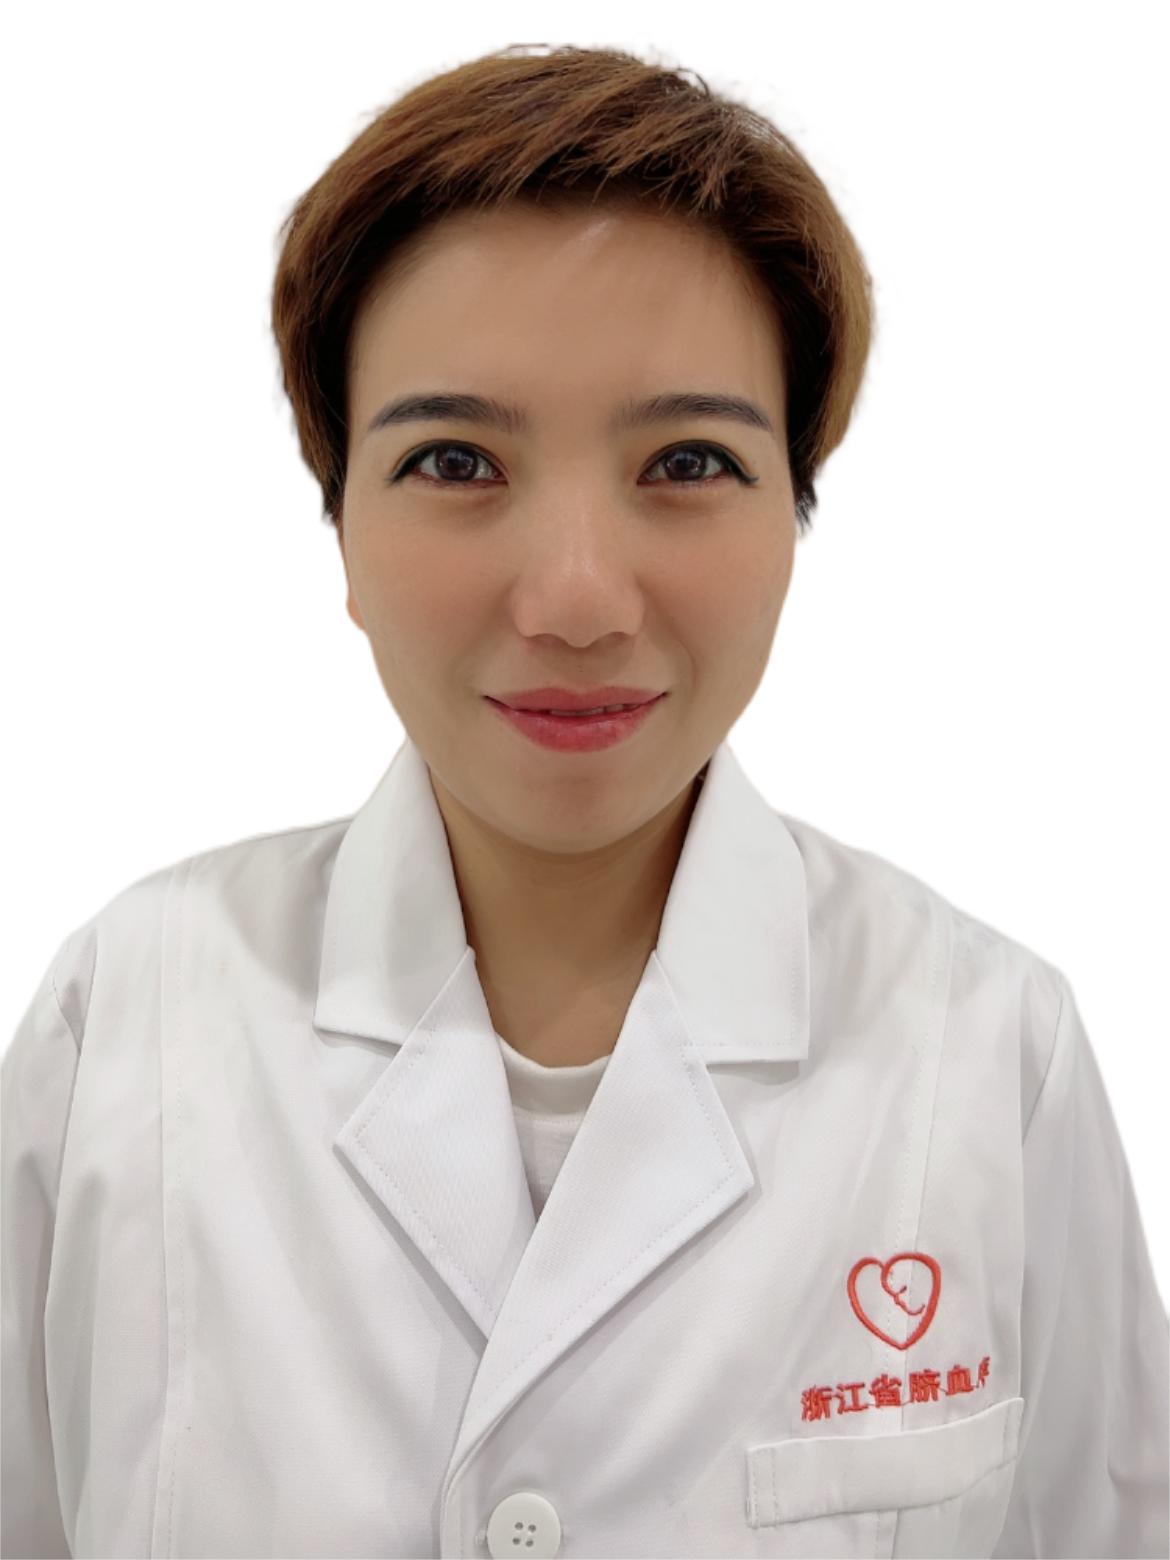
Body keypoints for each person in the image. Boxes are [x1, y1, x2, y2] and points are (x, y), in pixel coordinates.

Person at [3, 42, 1166, 1560]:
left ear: (796, 515)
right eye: (454, 460)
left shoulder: (986, 1051)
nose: (573, 600)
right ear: (339, 526)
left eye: (686, 459)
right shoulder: (127, 1024)